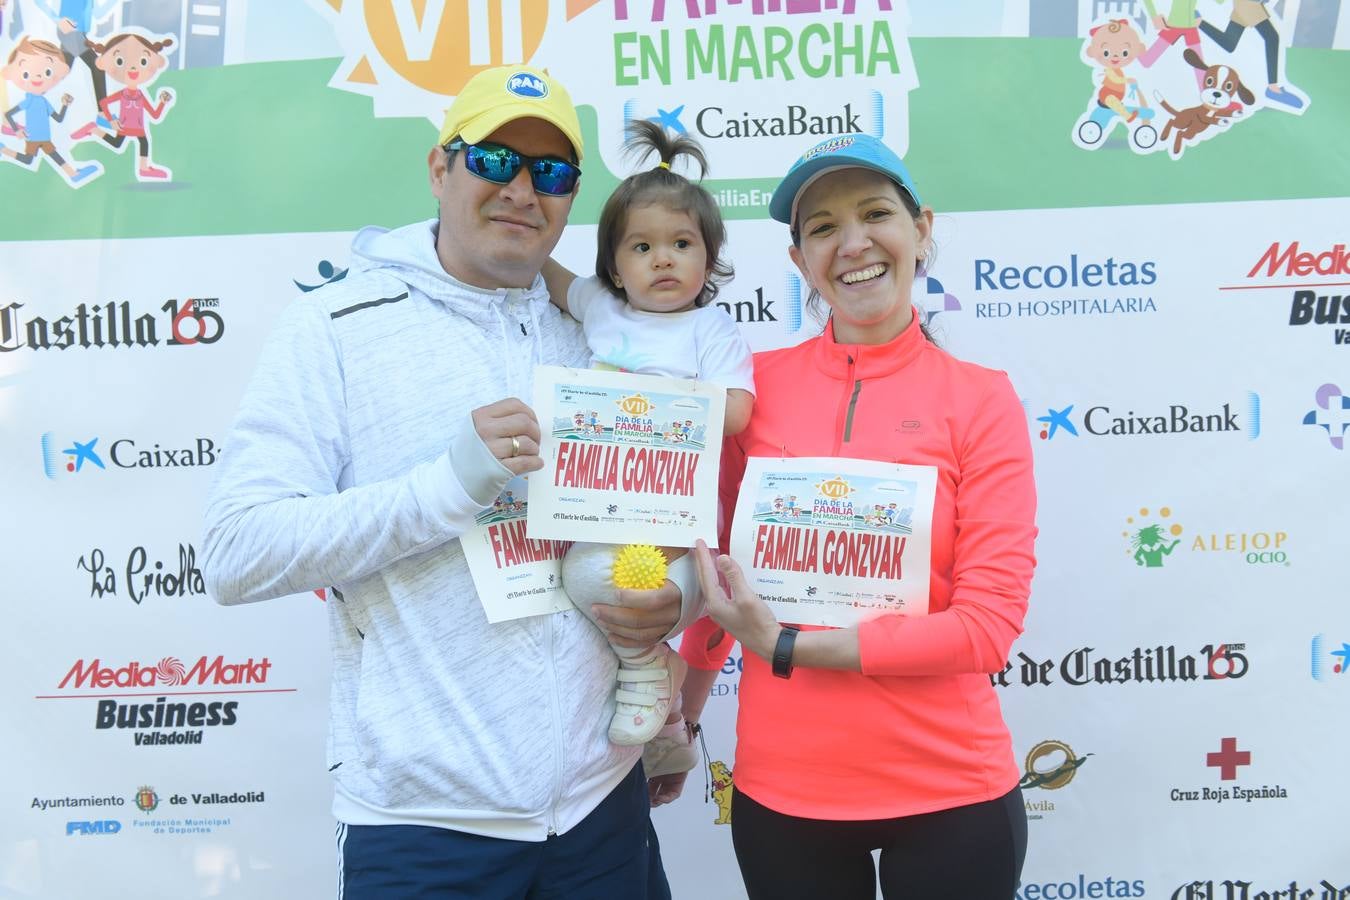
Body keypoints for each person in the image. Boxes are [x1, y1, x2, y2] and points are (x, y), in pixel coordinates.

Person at [201, 65, 703, 899]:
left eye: (550, 172)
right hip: (423, 830)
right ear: (441, 168)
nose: (521, 189)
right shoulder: (332, 327)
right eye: (495, 158)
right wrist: (445, 486)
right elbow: (236, 552)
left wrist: (674, 592)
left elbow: (656, 515)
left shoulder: (604, 334)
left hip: (599, 809)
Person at [676, 133, 1037, 898]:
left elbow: (989, 627)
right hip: (785, 793)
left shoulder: (981, 399)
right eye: (822, 227)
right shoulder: (750, 391)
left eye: (876, 213)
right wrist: (681, 718)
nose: (853, 243)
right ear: (800, 260)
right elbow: (719, 577)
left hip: (953, 791)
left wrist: (785, 645)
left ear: (921, 230)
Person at [540, 120, 753, 780]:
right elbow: (544, 272)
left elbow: (740, 409)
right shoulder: (601, 306)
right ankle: (650, 676)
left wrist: (659, 412)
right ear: (614, 266)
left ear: (708, 258)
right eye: (642, 247)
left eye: (682, 244)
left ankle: (650, 682)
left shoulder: (708, 329)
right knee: (580, 578)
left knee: (662, 589)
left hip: (674, 526)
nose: (663, 259)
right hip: (602, 515)